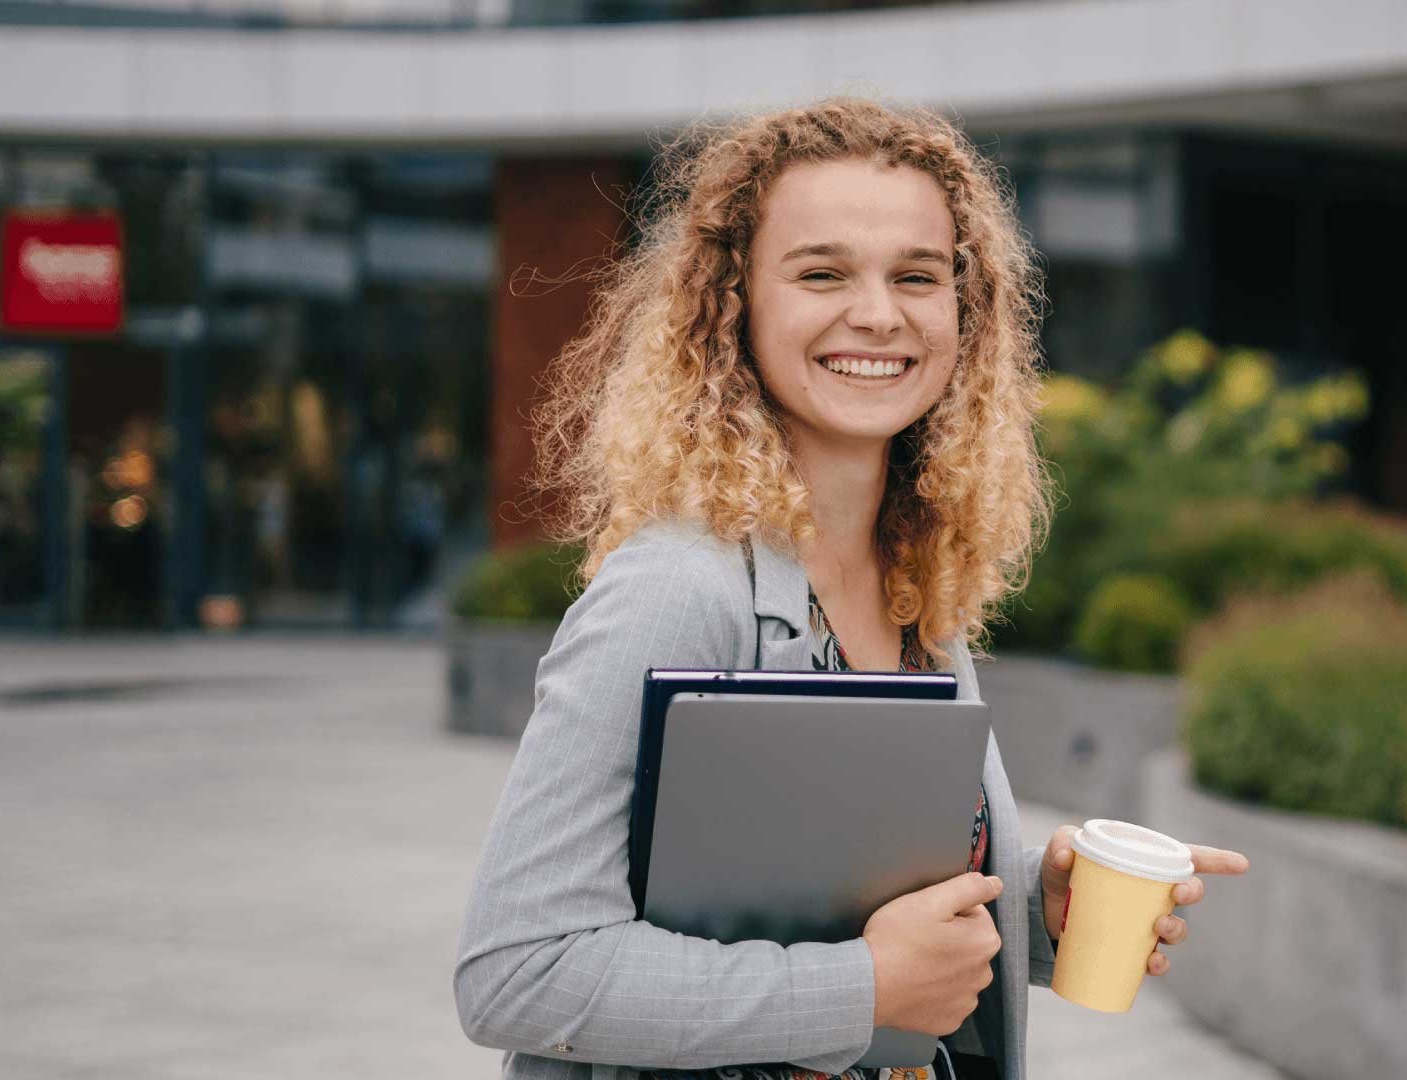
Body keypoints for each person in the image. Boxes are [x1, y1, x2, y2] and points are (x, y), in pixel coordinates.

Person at [453, 98, 1249, 1080]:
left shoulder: (917, 592)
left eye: (917, 276)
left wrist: (1029, 908)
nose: (878, 313)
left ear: (967, 313)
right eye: (822, 273)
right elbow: (517, 971)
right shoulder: (676, 588)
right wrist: (860, 992)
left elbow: (836, 908)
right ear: (735, 303)